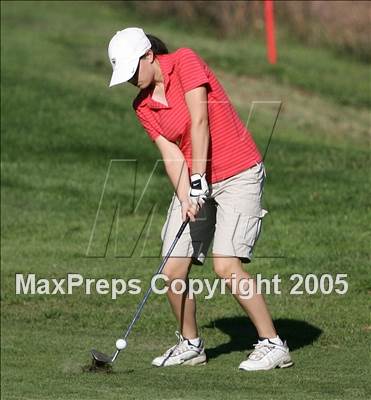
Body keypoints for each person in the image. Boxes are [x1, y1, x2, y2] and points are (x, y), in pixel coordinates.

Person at [107, 27, 293, 371]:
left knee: (226, 264)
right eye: (126, 75)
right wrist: (187, 195)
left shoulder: (185, 60)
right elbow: (171, 155)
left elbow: (200, 121)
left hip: (238, 172)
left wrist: (197, 179)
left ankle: (273, 343)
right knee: (172, 269)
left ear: (149, 55)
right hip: (195, 183)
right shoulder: (143, 106)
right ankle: (191, 344)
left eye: (134, 70)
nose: (132, 80)